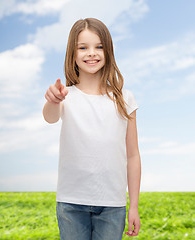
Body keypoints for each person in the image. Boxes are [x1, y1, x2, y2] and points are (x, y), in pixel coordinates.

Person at [43, 17, 141, 240]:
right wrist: (53, 100)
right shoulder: (65, 96)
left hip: (112, 204)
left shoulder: (124, 98)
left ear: (108, 52)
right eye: (83, 47)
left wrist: (133, 205)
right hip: (71, 202)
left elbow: (133, 155)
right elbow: (50, 117)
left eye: (99, 46)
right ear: (73, 53)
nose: (91, 53)